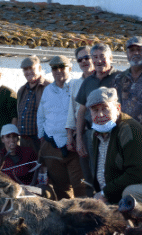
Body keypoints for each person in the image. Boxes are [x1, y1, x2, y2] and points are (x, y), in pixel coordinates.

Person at [38, 55, 86, 199]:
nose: (58, 71)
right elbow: (41, 116)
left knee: (80, 185)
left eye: (62, 67)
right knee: (61, 187)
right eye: (54, 68)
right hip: (52, 145)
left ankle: (83, 217)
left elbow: (81, 113)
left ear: (70, 68)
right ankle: (68, 219)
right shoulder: (47, 91)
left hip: (74, 146)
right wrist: (42, 138)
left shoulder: (78, 85)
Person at [73, 43, 122, 158]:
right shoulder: (88, 82)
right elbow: (81, 112)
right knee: (96, 171)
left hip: (116, 134)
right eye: (95, 57)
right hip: (93, 135)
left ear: (110, 58)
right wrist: (79, 139)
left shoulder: (121, 77)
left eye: (102, 56)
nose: (99, 60)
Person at [65, 46, 96, 195]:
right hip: (82, 135)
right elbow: (73, 111)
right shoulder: (76, 84)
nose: (84, 61)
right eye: (80, 59)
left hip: (100, 133)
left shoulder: (101, 79)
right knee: (87, 176)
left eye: (87, 57)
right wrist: (71, 136)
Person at [15, 56, 50, 153]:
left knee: (42, 167)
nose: (28, 72)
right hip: (24, 140)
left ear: (39, 68)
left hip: (41, 140)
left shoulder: (48, 87)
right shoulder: (22, 90)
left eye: (31, 68)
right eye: (25, 69)